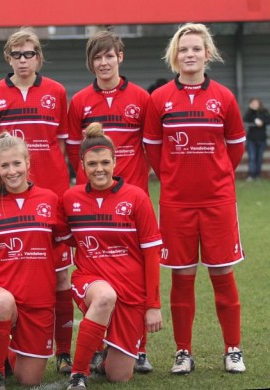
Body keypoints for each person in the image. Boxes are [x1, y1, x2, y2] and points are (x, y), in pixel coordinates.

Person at [144, 23, 247, 375]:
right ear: (175, 55)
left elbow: (234, 147)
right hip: (176, 203)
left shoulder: (224, 97)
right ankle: (182, 352)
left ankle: (233, 349)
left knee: (222, 273)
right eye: (184, 49)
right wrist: (176, 179)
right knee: (181, 276)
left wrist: (214, 175)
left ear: (207, 54)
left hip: (217, 201)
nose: (190, 54)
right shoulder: (159, 99)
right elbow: (154, 151)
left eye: (196, 49)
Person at [0, 27, 74, 376]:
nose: (23, 60)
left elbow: (62, 146)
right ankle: (5, 349)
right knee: (15, 277)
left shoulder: (57, 92)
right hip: (12, 202)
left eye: (29, 53)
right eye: (17, 54)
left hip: (50, 199)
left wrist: (55, 192)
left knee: (61, 279)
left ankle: (64, 352)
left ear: (39, 57)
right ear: (8, 57)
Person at [66, 30, 153, 372]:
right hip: (95, 203)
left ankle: (138, 347)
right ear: (91, 63)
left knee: (135, 270)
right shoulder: (80, 101)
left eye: (109, 56)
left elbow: (152, 146)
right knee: (98, 268)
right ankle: (101, 343)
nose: (103, 62)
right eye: (97, 58)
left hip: (133, 200)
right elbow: (76, 154)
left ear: (120, 56)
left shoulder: (141, 98)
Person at [0, 132, 71, 389]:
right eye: (5, 165)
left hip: (38, 301)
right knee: (2, 303)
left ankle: (5, 347)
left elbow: (69, 239)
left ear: (28, 163)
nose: (12, 171)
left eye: (16, 164)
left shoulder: (50, 201)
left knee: (28, 379)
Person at [62, 123, 163, 390]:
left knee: (119, 376)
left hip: (131, 290)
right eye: (92, 163)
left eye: (105, 162)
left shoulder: (137, 198)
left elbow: (152, 254)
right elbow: (61, 236)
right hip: (91, 281)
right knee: (105, 296)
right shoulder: (70, 199)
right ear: (82, 165)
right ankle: (78, 374)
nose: (99, 169)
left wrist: (152, 305)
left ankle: (105, 353)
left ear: (115, 162)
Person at [243, 98, 269, 180]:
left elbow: (268, 120)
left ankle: (258, 175)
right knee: (252, 157)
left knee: (259, 157)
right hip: (251, 139)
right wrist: (252, 111)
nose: (255, 105)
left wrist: (262, 121)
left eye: (256, 103)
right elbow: (245, 119)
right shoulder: (249, 112)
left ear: (259, 104)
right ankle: (251, 175)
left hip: (261, 138)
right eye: (253, 103)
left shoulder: (264, 111)